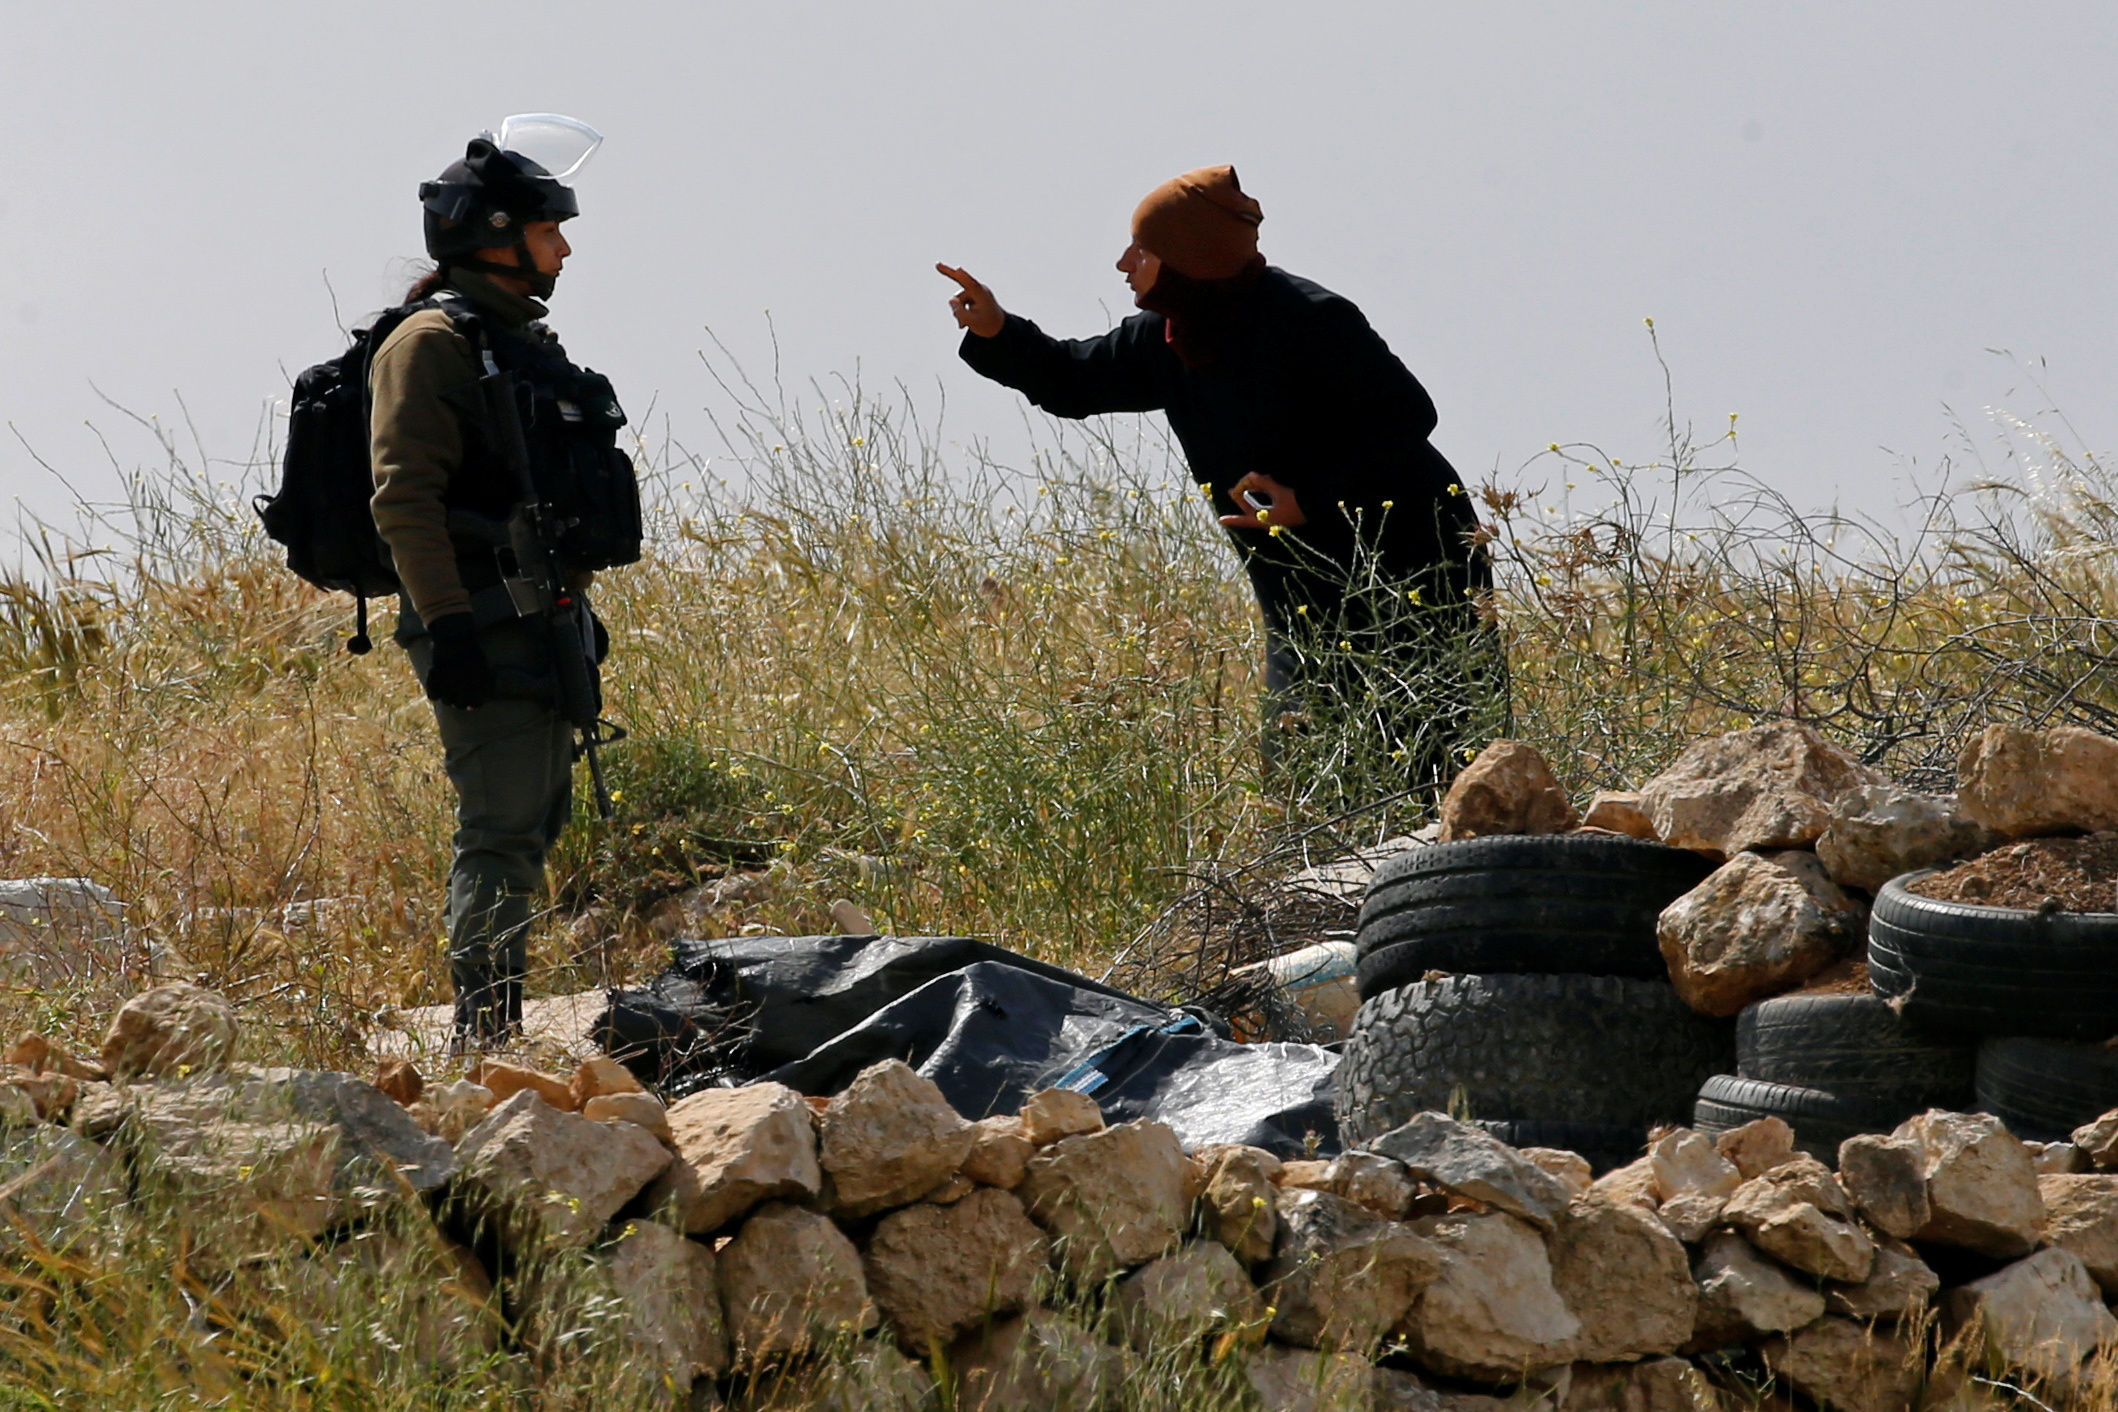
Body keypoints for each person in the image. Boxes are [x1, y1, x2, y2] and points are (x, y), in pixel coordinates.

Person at [939, 165, 1494, 796]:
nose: (1123, 263)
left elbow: (1407, 419)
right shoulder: (1167, 336)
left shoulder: (1312, 318)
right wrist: (997, 330)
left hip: (1413, 559)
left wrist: (1308, 500)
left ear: (1187, 259)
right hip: (1300, 588)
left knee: (1444, 742)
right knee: (1306, 758)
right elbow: (1072, 379)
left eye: (1141, 250)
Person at [369, 119, 639, 1047]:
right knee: (500, 828)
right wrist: (447, 629)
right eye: (547, 228)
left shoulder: (511, 343)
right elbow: (404, 497)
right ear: (495, 235)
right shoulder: (432, 344)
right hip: (480, 623)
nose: (563, 245)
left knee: (532, 818)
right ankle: (482, 1038)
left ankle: (494, 1027)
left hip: (541, 615)